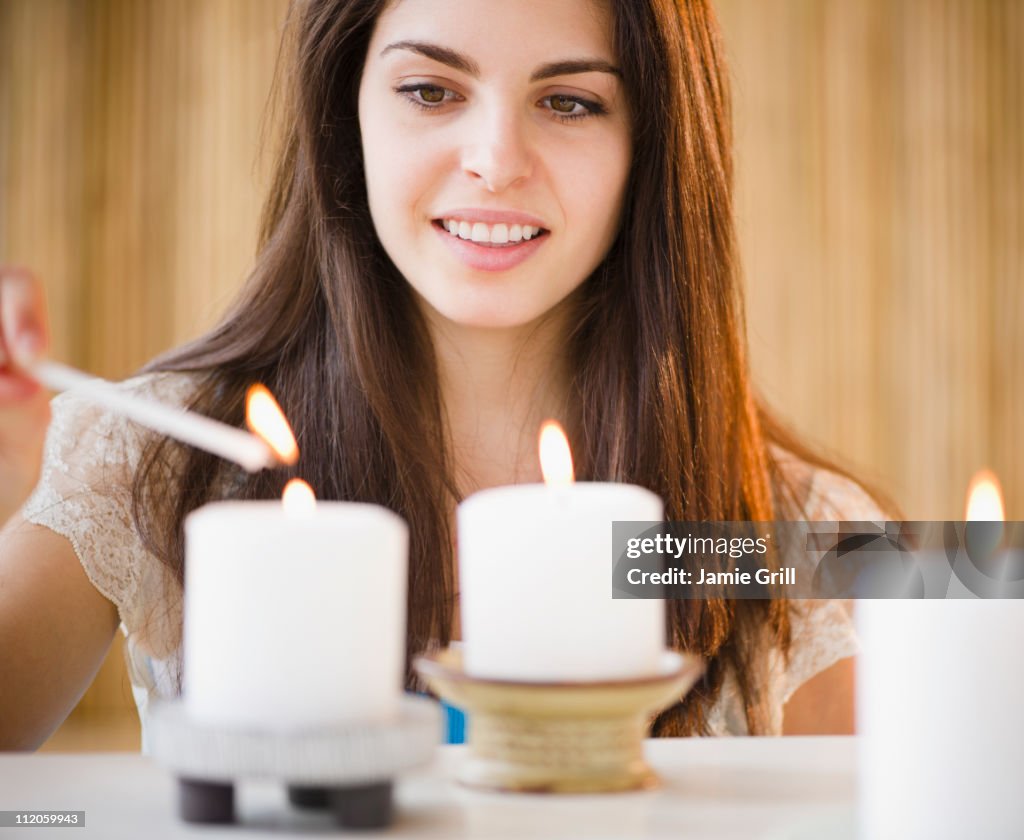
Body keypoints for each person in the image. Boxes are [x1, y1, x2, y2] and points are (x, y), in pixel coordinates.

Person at [0, 0, 885, 752]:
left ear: (651, 148)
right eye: (430, 90)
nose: (496, 160)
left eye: (571, 102)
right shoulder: (154, 457)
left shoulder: (783, 538)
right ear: (343, 113)